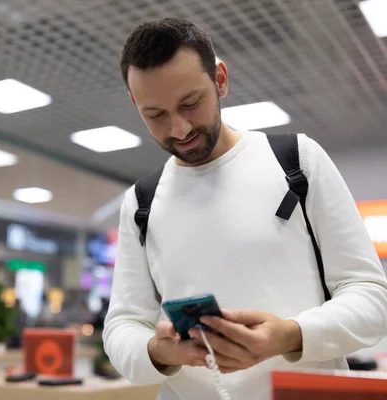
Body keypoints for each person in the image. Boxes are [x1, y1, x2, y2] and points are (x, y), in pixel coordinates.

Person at [102, 17, 387, 400]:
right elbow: (122, 326)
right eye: (155, 115)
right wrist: (158, 351)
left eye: (191, 103)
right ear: (135, 104)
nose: (180, 128)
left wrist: (290, 335)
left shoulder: (296, 161)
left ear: (219, 79)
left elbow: (371, 297)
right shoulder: (141, 202)